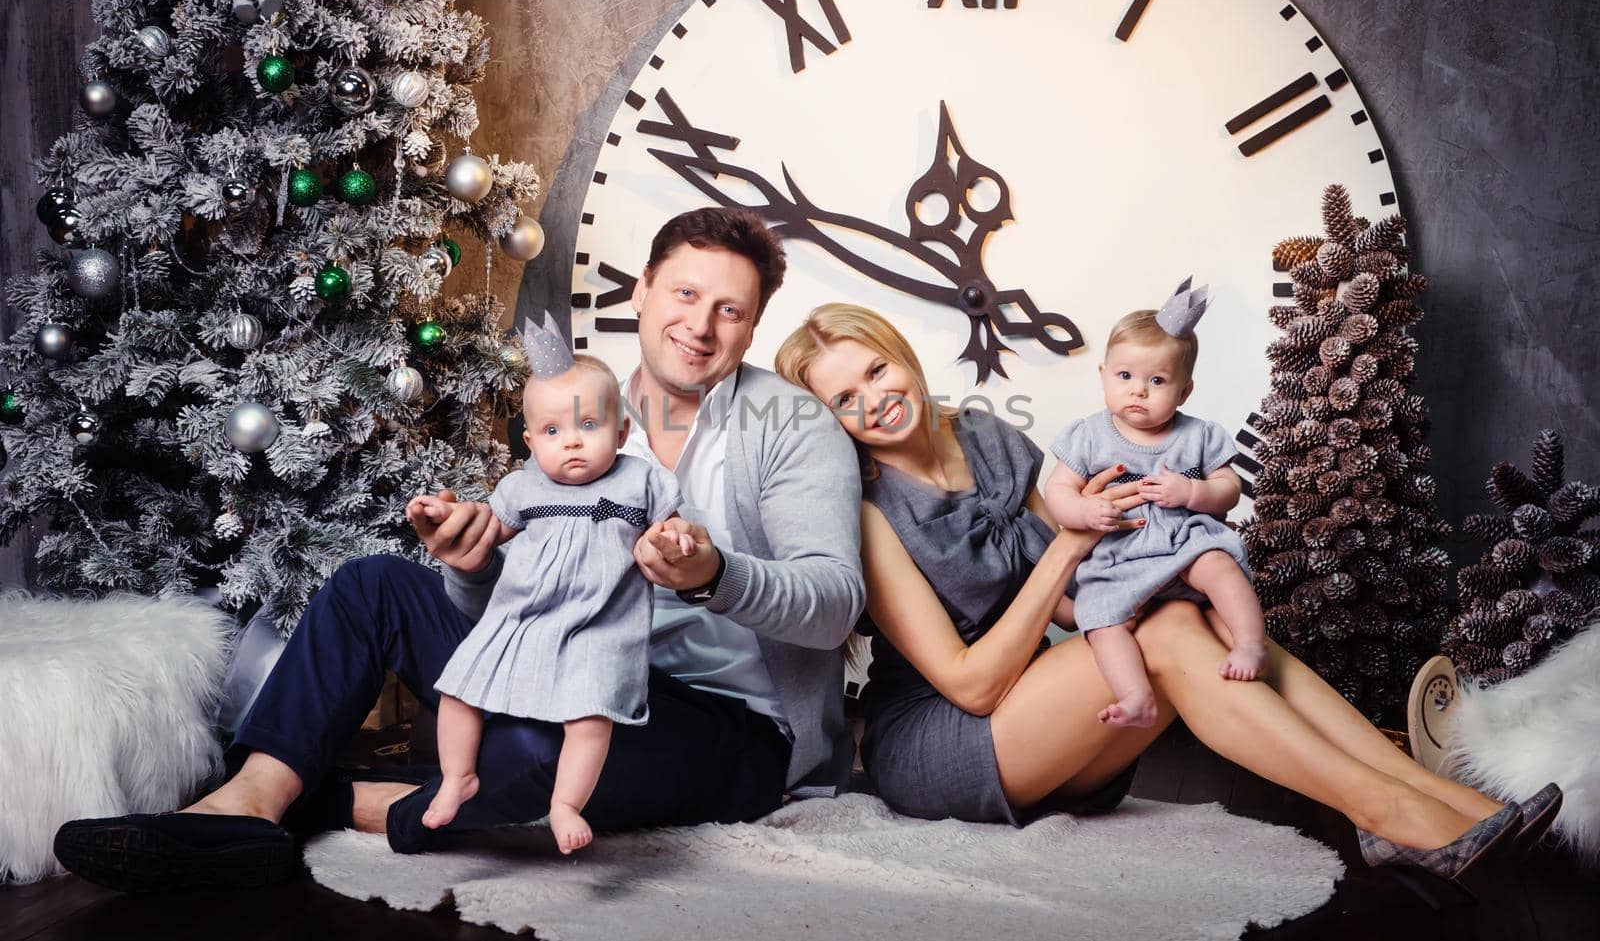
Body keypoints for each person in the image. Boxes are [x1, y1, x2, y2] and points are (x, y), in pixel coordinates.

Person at [53, 207, 865, 892]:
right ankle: (251, 801)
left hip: (728, 726)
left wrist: (714, 571)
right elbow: (511, 608)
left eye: (731, 309)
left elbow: (833, 607)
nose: (700, 323)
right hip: (566, 669)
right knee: (373, 585)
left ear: (753, 327)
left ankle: (334, 803)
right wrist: (473, 565)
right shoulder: (579, 416)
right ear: (644, 290)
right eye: (686, 292)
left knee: (532, 747)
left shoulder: (790, 427)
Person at [774, 301, 1559, 902]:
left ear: (899, 355)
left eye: (875, 371)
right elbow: (973, 680)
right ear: (830, 421)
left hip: (1047, 708)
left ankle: (1431, 794)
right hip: (946, 737)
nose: (872, 401)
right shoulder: (868, 511)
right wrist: (1075, 543)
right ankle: (1391, 814)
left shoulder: (982, 435)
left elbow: (1077, 600)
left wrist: (1182, 563)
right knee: (1167, 627)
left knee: (1189, 611)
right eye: (843, 399)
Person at [412, 321, 684, 854]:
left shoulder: (640, 482)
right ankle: (456, 776)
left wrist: (676, 539)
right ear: (531, 441)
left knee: (590, 718)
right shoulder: (521, 487)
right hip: (521, 617)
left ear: (623, 432)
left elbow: (668, 530)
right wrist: (446, 514)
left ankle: (565, 803)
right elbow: (480, 533)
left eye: (589, 423)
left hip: (599, 627)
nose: (574, 441)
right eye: (554, 432)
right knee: (459, 691)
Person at [1042, 280, 1265, 731]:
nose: (1138, 391)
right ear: (1103, 374)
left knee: (1218, 565)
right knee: (1101, 620)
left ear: (1184, 391)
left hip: (1181, 540)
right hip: (1119, 553)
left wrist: (1194, 494)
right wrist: (1085, 512)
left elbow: (1230, 487)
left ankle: (1249, 642)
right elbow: (1057, 491)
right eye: (1125, 377)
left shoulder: (1196, 435)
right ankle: (1135, 695)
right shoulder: (1088, 435)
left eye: (1157, 381)